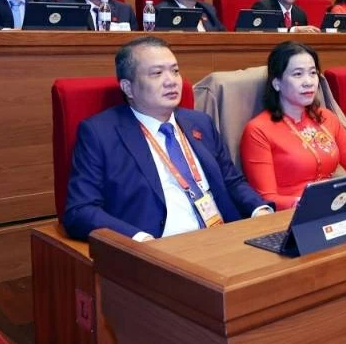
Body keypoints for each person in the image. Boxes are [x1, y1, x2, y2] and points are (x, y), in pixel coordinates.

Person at [63, 36, 273, 240]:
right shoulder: (100, 133)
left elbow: (232, 181)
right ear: (128, 88)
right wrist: (138, 240)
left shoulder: (200, 123)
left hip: (223, 238)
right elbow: (80, 210)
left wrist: (258, 210)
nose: (171, 81)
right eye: (157, 73)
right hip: (159, 249)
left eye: (175, 71)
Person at [242, 42, 346, 209]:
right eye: (298, 74)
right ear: (277, 83)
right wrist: (308, 204)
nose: (308, 82)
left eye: (313, 73)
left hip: (333, 207)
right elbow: (266, 199)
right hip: (289, 216)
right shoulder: (258, 130)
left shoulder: (326, 117)